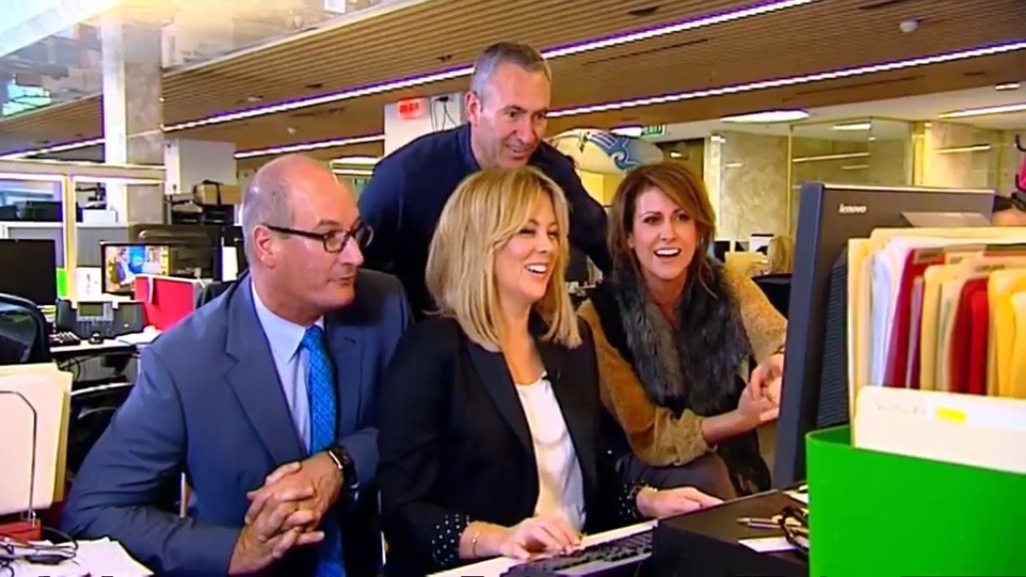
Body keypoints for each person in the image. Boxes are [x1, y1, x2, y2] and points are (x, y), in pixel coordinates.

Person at [61, 154, 413, 577]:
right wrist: (234, 550)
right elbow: (91, 512)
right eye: (330, 237)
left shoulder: (384, 305)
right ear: (266, 245)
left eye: (354, 232)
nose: (355, 255)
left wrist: (340, 463)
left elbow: (417, 428)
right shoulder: (183, 362)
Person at [376, 167, 721, 577]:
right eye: (527, 231)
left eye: (554, 234)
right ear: (478, 242)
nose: (548, 247)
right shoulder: (430, 351)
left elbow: (589, 483)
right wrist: (498, 538)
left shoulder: (570, 345)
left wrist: (649, 501)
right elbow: (402, 511)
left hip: (576, 562)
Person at [576, 162, 787, 498]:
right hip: (638, 465)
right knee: (707, 474)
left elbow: (780, 338)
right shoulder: (598, 317)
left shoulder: (726, 284)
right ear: (628, 236)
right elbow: (652, 438)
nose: (669, 233)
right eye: (651, 220)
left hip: (730, 454)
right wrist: (740, 419)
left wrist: (779, 362)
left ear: (699, 229)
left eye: (682, 217)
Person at [358, 42, 611, 318]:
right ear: (474, 108)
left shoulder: (553, 174)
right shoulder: (404, 179)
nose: (528, 136)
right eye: (512, 114)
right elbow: (351, 272)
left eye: (539, 116)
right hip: (425, 335)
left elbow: (611, 250)